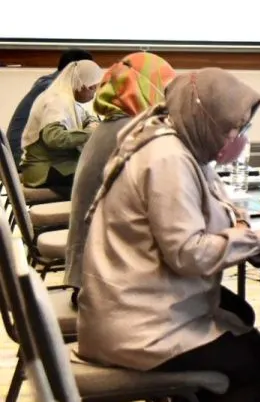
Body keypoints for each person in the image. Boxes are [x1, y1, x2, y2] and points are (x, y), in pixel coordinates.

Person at [78, 69, 260, 402]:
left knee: (240, 314)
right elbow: (188, 254)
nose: (237, 138)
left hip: (132, 302)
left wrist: (241, 225)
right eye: (232, 129)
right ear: (205, 118)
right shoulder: (169, 159)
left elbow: (215, 209)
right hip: (139, 325)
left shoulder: (176, 140)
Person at [65, 52, 176, 294]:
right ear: (147, 88)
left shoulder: (112, 125)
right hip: (108, 288)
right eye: (166, 88)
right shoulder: (134, 133)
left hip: (90, 274)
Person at [19, 59, 104, 197]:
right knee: (103, 178)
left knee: (104, 171)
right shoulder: (57, 100)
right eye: (93, 88)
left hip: (57, 165)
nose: (93, 94)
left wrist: (92, 127)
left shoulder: (68, 99)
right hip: (45, 169)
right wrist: (91, 133)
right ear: (84, 86)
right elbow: (54, 138)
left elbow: (89, 118)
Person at [5, 48, 93, 161]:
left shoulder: (50, 83)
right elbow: (59, 137)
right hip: (23, 157)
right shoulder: (53, 89)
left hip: (19, 155)